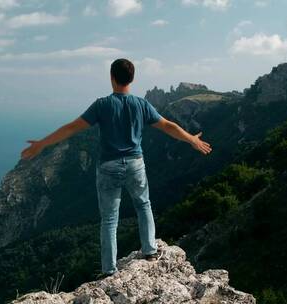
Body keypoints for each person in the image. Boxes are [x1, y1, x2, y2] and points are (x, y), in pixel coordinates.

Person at [20, 58, 212, 278]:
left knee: (110, 218)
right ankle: (149, 250)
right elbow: (168, 125)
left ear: (111, 77)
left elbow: (72, 127)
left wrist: (42, 144)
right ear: (132, 79)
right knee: (143, 204)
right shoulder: (142, 104)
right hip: (135, 163)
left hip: (108, 166)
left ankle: (109, 269)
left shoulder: (102, 105)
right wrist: (192, 140)